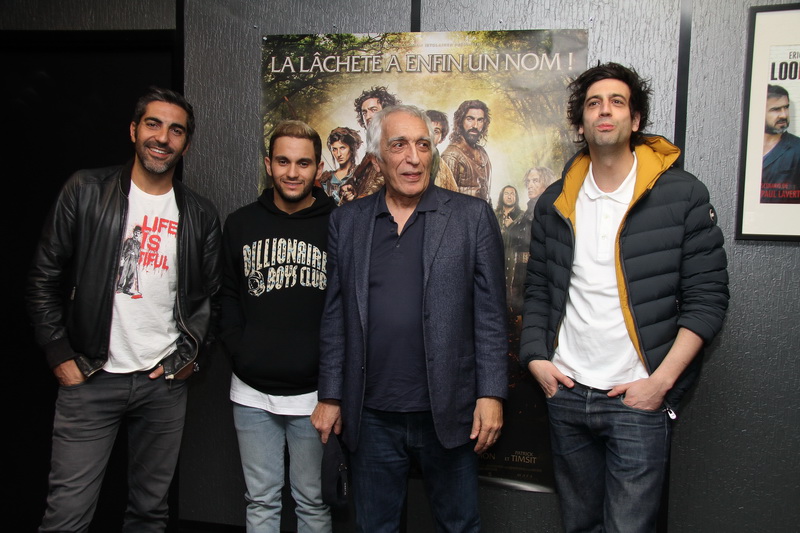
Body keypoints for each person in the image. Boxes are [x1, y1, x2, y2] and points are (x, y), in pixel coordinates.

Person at [520, 63, 729, 533]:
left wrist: (660, 383)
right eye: (593, 103)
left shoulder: (682, 194)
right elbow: (537, 290)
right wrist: (536, 359)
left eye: (617, 101)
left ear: (635, 120)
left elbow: (708, 300)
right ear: (581, 124)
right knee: (579, 525)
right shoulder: (555, 201)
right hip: (568, 393)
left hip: (638, 398)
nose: (605, 110)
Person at [27, 87, 222, 531]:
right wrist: (58, 353)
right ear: (134, 130)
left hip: (163, 386)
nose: (163, 138)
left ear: (186, 144)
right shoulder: (86, 190)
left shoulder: (199, 215)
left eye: (176, 130)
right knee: (67, 515)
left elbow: (212, 300)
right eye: (153, 124)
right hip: (91, 377)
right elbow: (43, 277)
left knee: (150, 514)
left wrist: (191, 359)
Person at [311, 105, 507, 532]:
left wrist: (491, 394)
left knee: (459, 525)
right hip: (372, 413)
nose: (413, 158)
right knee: (375, 527)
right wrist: (330, 395)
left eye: (422, 144)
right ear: (378, 157)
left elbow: (491, 316)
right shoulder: (347, 222)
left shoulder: (471, 218)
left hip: (450, 412)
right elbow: (334, 317)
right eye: (399, 145)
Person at [220, 120, 335, 532]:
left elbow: (347, 310)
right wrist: (241, 349)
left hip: (316, 397)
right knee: (261, 500)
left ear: (318, 169)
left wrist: (333, 386)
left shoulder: (338, 226)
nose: (292, 172)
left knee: (313, 501)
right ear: (268, 164)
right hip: (251, 391)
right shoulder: (240, 223)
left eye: (303, 163)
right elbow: (227, 296)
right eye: (283, 161)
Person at [505, 167, 558, 314]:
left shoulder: (548, 208)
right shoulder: (528, 210)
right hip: (521, 271)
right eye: (528, 181)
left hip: (538, 272)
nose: (530, 185)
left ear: (546, 183)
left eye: (535, 181)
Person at [351, 86, 400, 198]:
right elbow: (362, 176)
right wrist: (350, 186)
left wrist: (366, 197)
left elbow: (388, 176)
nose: (368, 117)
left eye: (373, 110)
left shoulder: (397, 141)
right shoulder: (373, 145)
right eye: (364, 112)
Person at [442, 100, 493, 203]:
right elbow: (444, 202)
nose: (475, 125)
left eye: (480, 120)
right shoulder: (451, 155)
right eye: (470, 119)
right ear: (460, 121)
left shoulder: (483, 153)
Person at [761, 84, 800, 203]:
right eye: (775, 109)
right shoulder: (746, 149)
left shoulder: (797, 149)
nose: (784, 115)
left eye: (786, 107)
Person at [319, 126, 362, 204]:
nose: (338, 154)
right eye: (335, 149)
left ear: (351, 149)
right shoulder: (326, 179)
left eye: (342, 148)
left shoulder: (362, 173)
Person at [425, 109, 458, 192]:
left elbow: (453, 197)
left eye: (436, 131)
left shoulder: (444, 170)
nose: (430, 135)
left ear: (441, 138)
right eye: (427, 129)